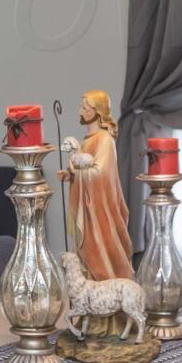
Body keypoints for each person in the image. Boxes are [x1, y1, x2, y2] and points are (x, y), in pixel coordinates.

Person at [66, 88, 136, 283]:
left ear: (97, 112)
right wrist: (70, 174)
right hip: (88, 211)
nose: (80, 112)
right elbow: (85, 169)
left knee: (102, 249)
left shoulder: (105, 140)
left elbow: (101, 173)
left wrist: (78, 171)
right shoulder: (87, 141)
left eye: (84, 107)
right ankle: (91, 301)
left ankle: (108, 298)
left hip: (100, 211)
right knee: (85, 251)